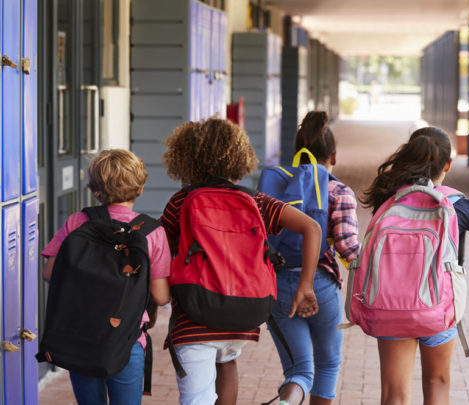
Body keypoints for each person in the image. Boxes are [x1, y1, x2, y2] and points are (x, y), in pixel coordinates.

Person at [160, 118, 322, 405]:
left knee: (197, 398)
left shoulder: (181, 202)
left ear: (187, 157)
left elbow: (162, 250)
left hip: (194, 314)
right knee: (227, 359)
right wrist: (305, 285)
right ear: (238, 156)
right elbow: (312, 227)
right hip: (243, 311)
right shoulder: (256, 201)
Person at [361, 126, 469, 405]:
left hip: (390, 307)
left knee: (393, 396)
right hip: (437, 309)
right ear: (448, 164)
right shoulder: (457, 205)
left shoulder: (388, 200)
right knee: (437, 383)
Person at [41, 149, 171, 405]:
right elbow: (161, 295)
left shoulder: (77, 222)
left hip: (81, 337)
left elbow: (49, 274)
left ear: (93, 188)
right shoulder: (152, 232)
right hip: (127, 340)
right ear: (141, 187)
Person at [265, 111, 360, 405]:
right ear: (334, 156)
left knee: (300, 370)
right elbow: (347, 248)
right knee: (328, 365)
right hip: (321, 285)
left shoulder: (276, 187)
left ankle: (287, 401)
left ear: (297, 153)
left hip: (278, 282)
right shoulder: (339, 191)